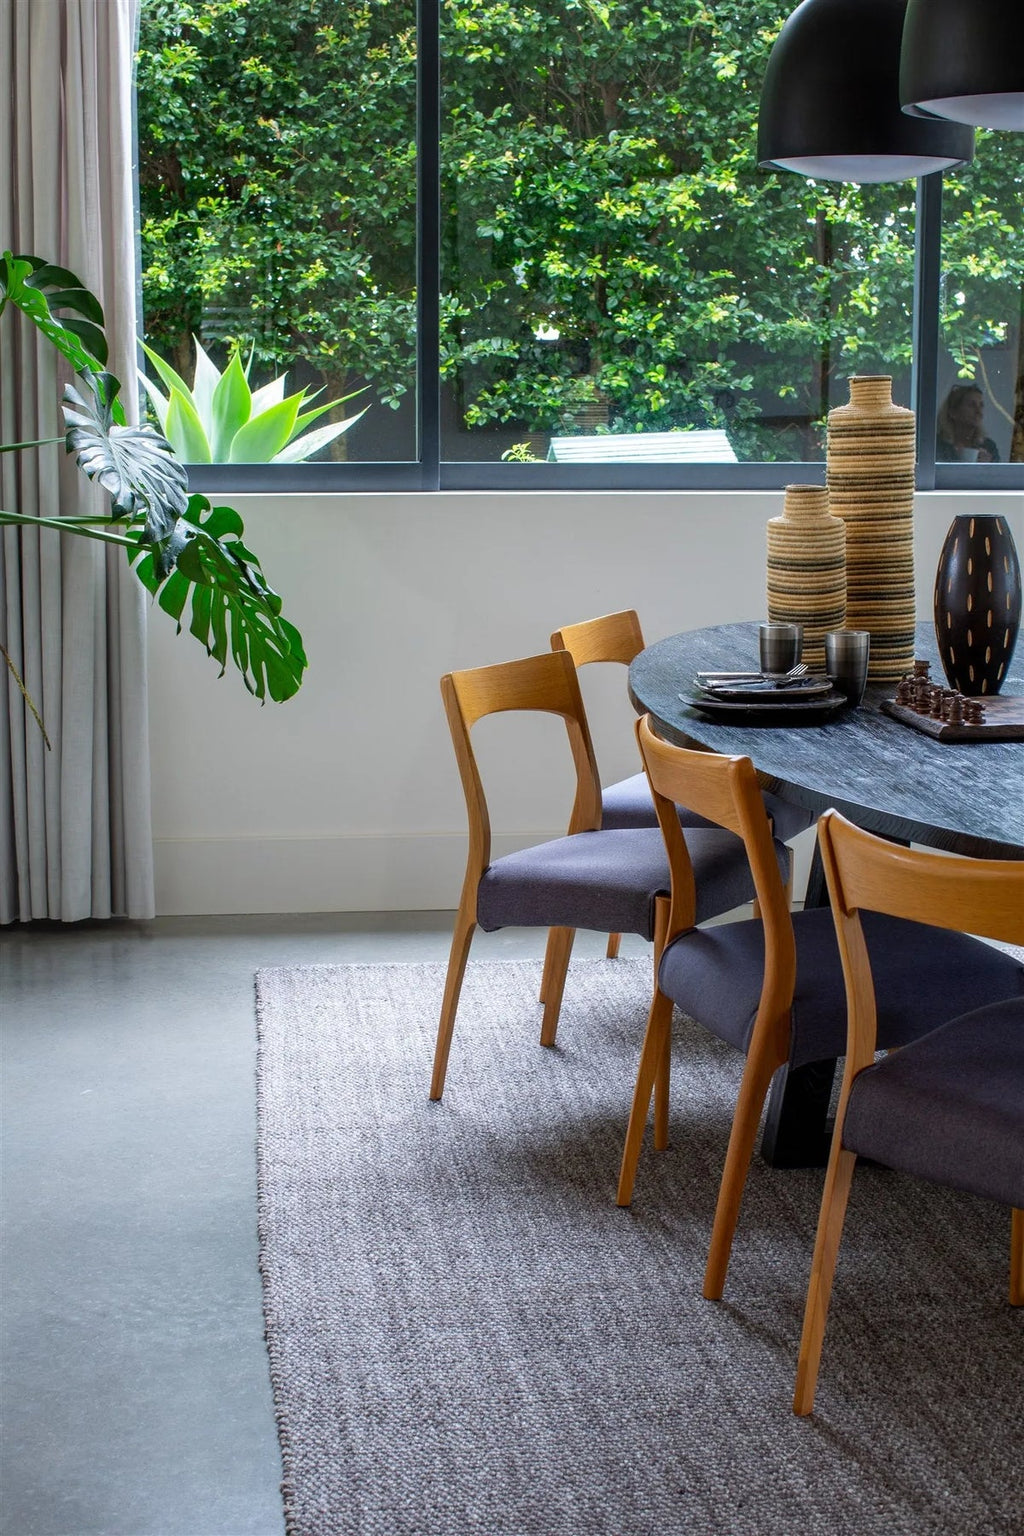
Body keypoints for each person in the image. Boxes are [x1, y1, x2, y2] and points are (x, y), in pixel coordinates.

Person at [936, 383, 1000, 462]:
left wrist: (988, 465)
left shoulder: (989, 447)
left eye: (981, 405)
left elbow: (999, 469)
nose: (978, 411)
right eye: (971, 405)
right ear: (953, 412)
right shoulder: (936, 446)